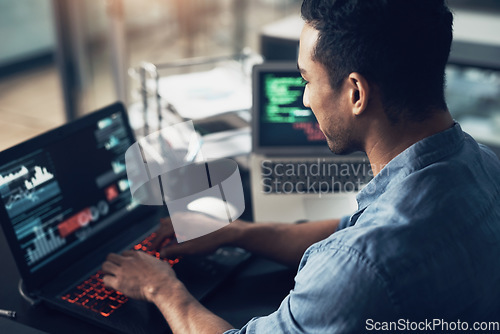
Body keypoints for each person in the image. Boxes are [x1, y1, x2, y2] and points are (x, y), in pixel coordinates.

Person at [102, 0, 500, 332]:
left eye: (307, 80)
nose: (305, 99)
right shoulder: (482, 166)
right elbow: (354, 228)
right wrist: (239, 232)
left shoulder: (354, 269)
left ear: (356, 93)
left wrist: (161, 288)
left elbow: (360, 254)